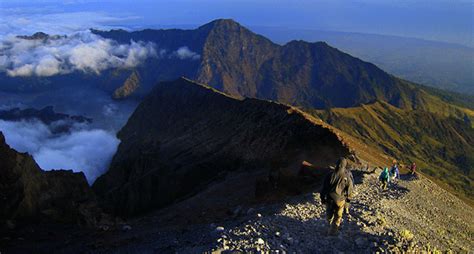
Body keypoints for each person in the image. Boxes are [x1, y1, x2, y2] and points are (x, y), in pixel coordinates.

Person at [320, 158, 354, 235]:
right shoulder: (346, 177)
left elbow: (324, 188)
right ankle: (334, 231)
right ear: (345, 165)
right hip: (340, 200)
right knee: (338, 216)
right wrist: (348, 201)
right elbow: (350, 189)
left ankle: (329, 224)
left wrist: (322, 198)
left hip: (329, 199)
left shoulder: (329, 175)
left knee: (329, 214)